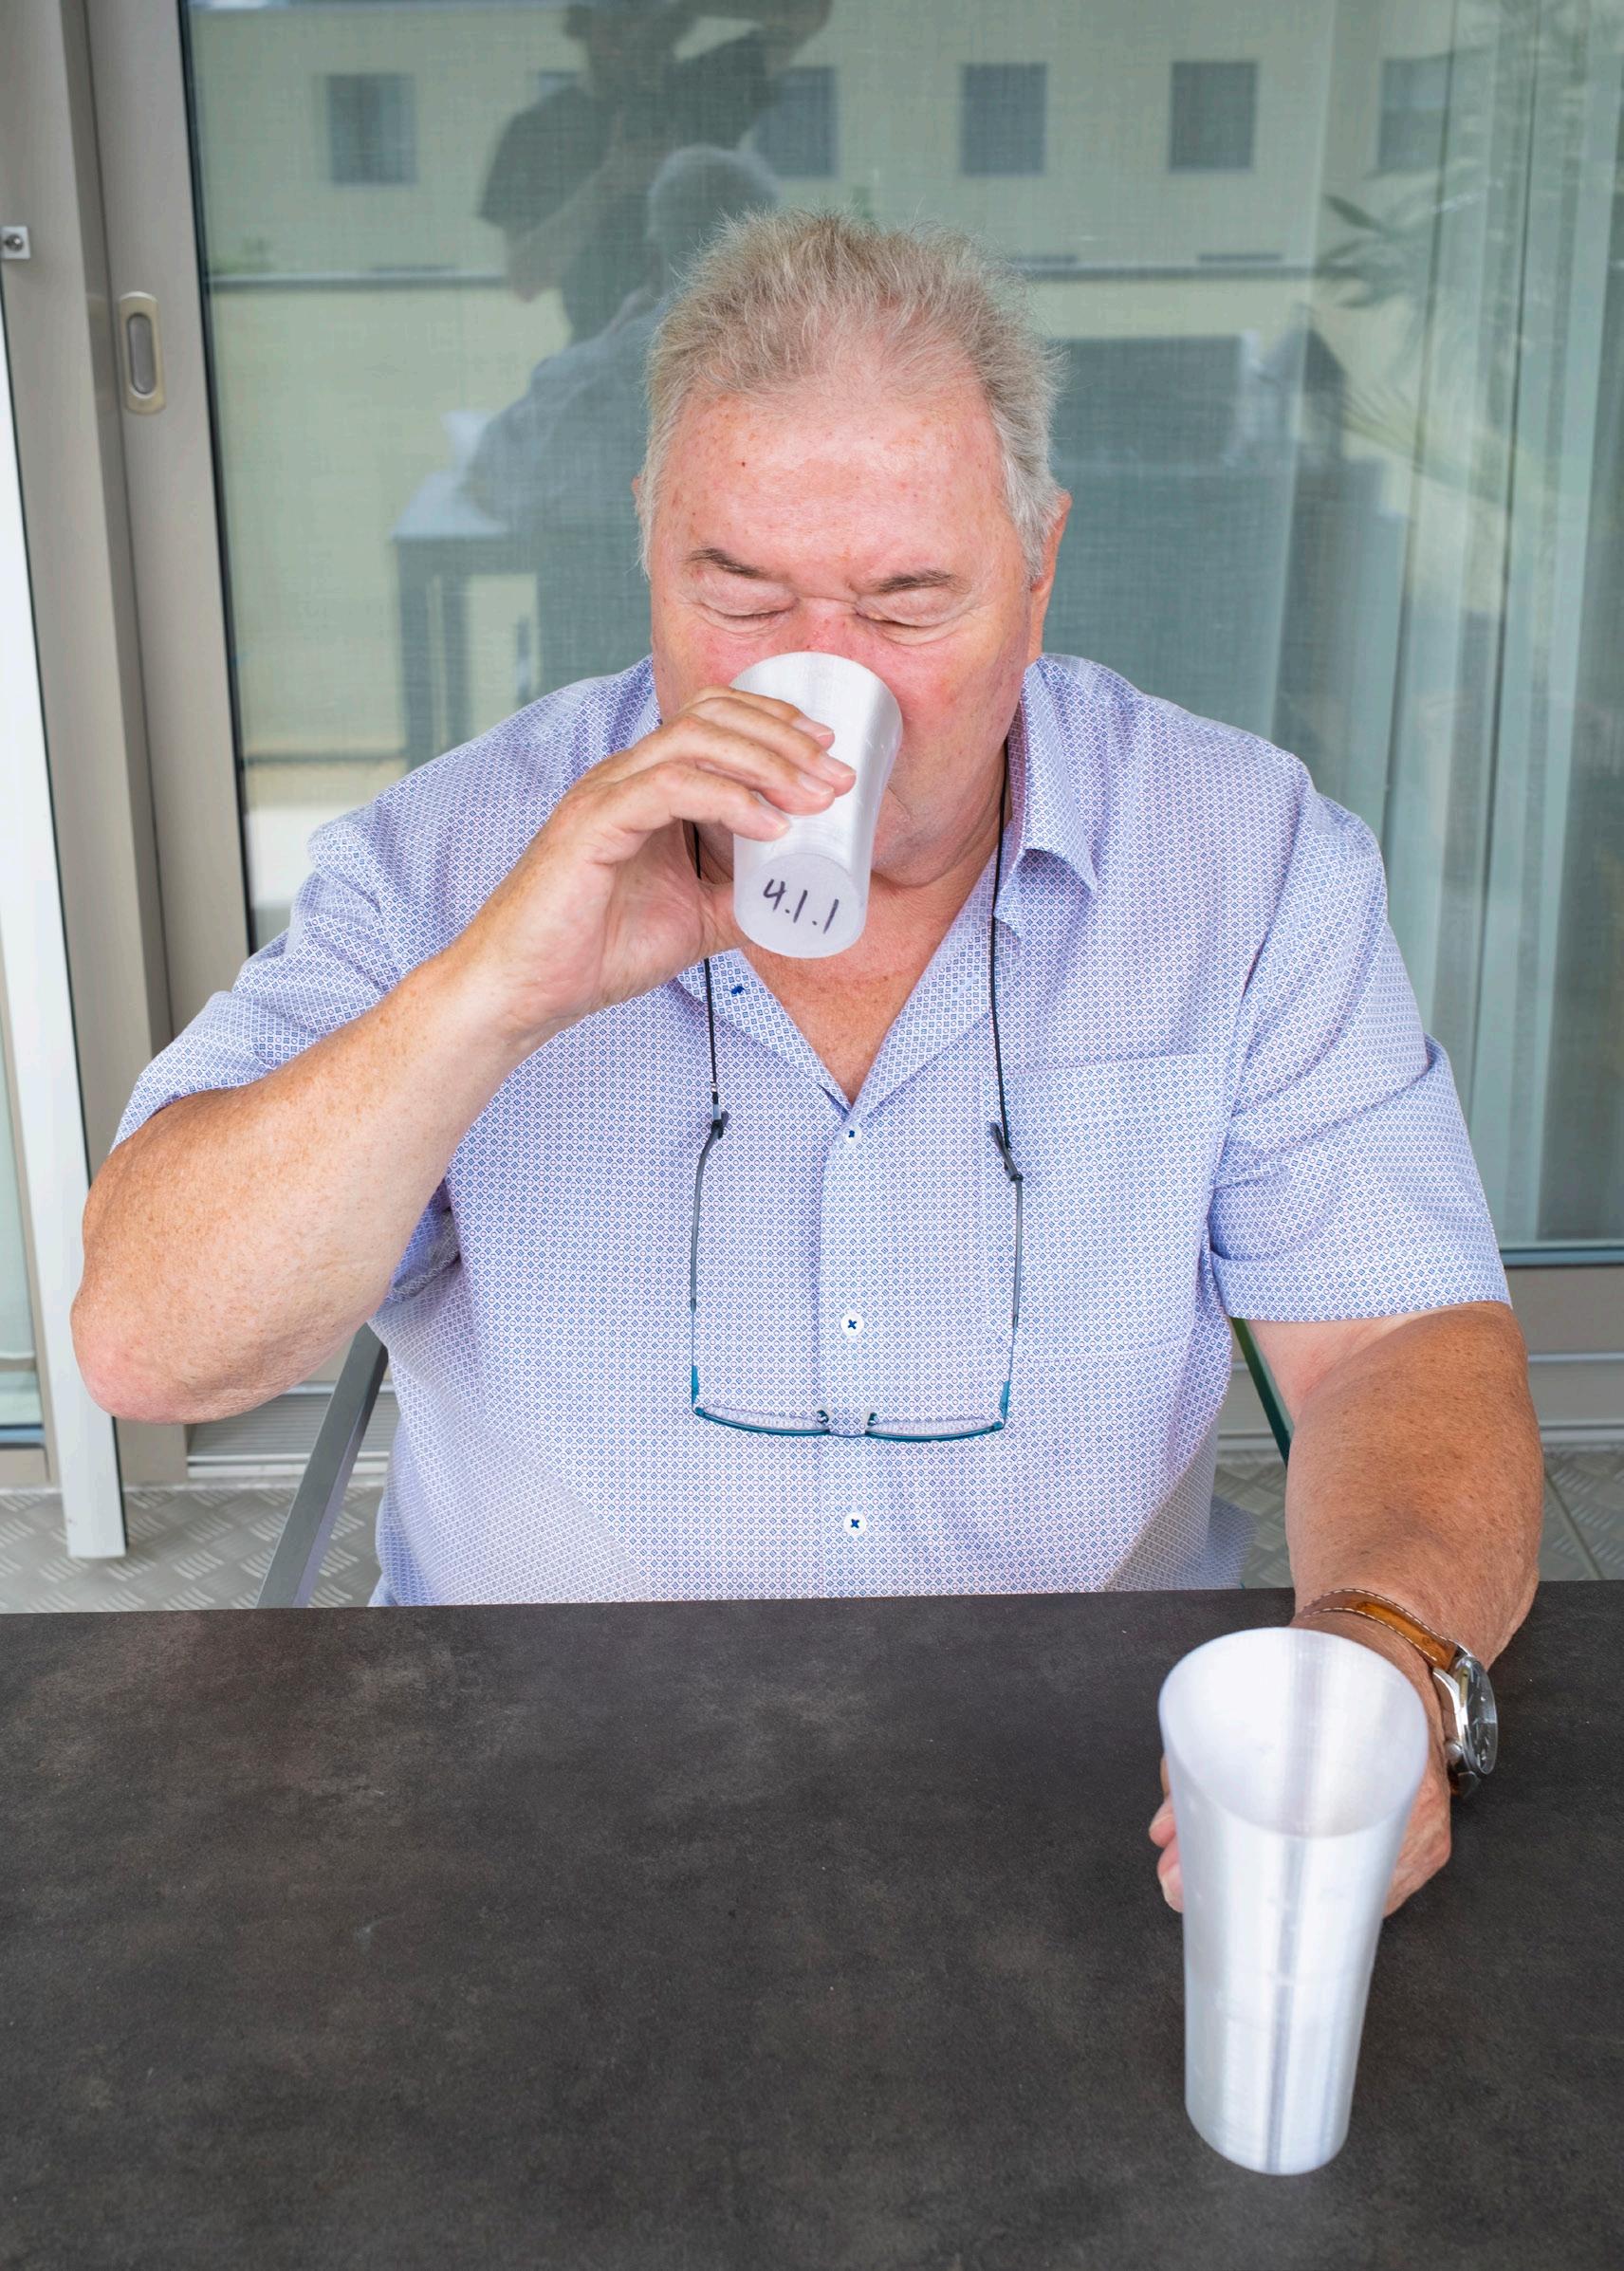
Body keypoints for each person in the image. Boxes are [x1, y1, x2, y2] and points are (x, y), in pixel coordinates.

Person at [75, 212, 1541, 1916]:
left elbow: (1396, 1336)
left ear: (1038, 571)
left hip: (1086, 1796)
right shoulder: (451, 855)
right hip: (533, 1797)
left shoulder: (1242, 856)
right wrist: (488, 997)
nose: (825, 678)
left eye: (908, 599)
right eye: (743, 594)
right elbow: (147, 1344)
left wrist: (1379, 1654)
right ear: (650, 549)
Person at [466, 143, 781, 688]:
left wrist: (614, 342)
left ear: (653, 257)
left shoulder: (594, 377)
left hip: (592, 697)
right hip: (746, 694)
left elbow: (493, 474)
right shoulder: (803, 390)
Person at [478, 0, 829, 341]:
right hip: (603, 354)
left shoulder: (706, 89)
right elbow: (525, 278)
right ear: (584, 23)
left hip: (712, 344)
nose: (632, 34)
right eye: (615, 20)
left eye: (641, 16)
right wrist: (607, 183)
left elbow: (807, 11)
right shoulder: (535, 132)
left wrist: (682, 5)